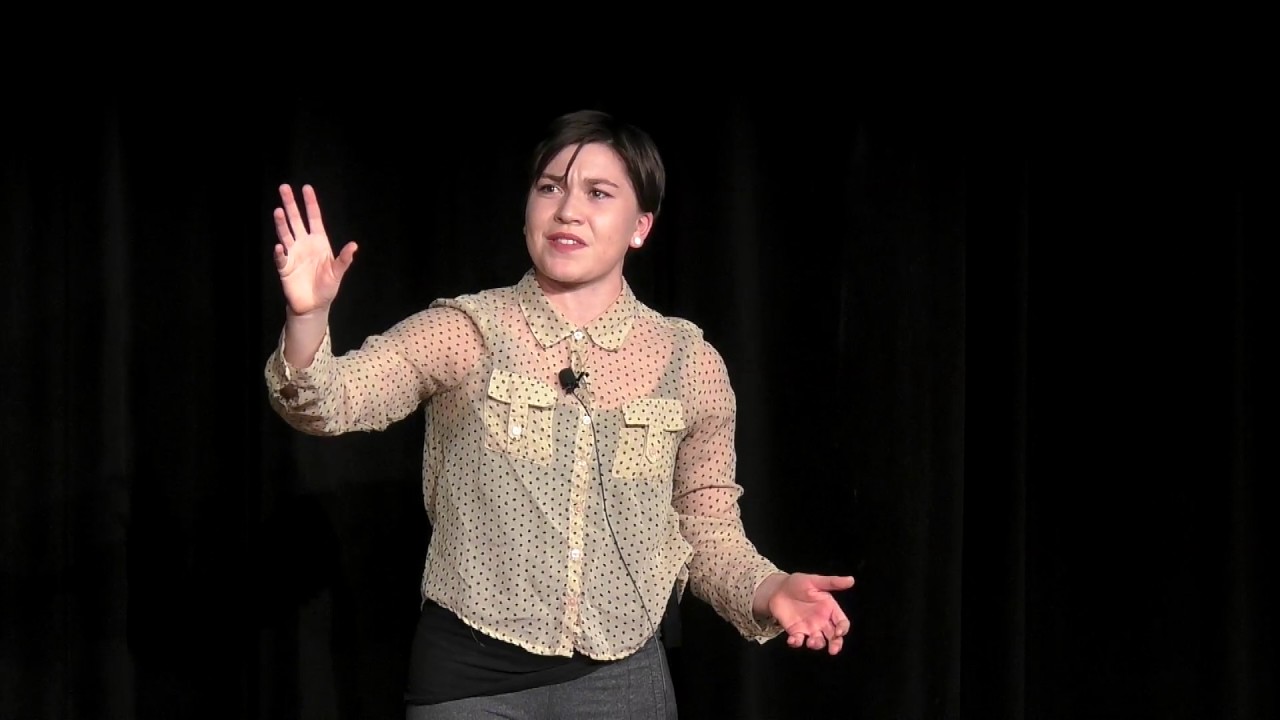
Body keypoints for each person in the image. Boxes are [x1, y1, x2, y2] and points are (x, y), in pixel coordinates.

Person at [262, 109, 855, 719]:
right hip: (470, 683)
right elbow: (328, 402)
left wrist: (769, 589)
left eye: (598, 193)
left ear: (641, 227)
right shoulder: (469, 330)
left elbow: (705, 531)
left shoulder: (689, 362)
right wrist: (308, 318)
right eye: (550, 188)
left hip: (624, 682)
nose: (568, 209)